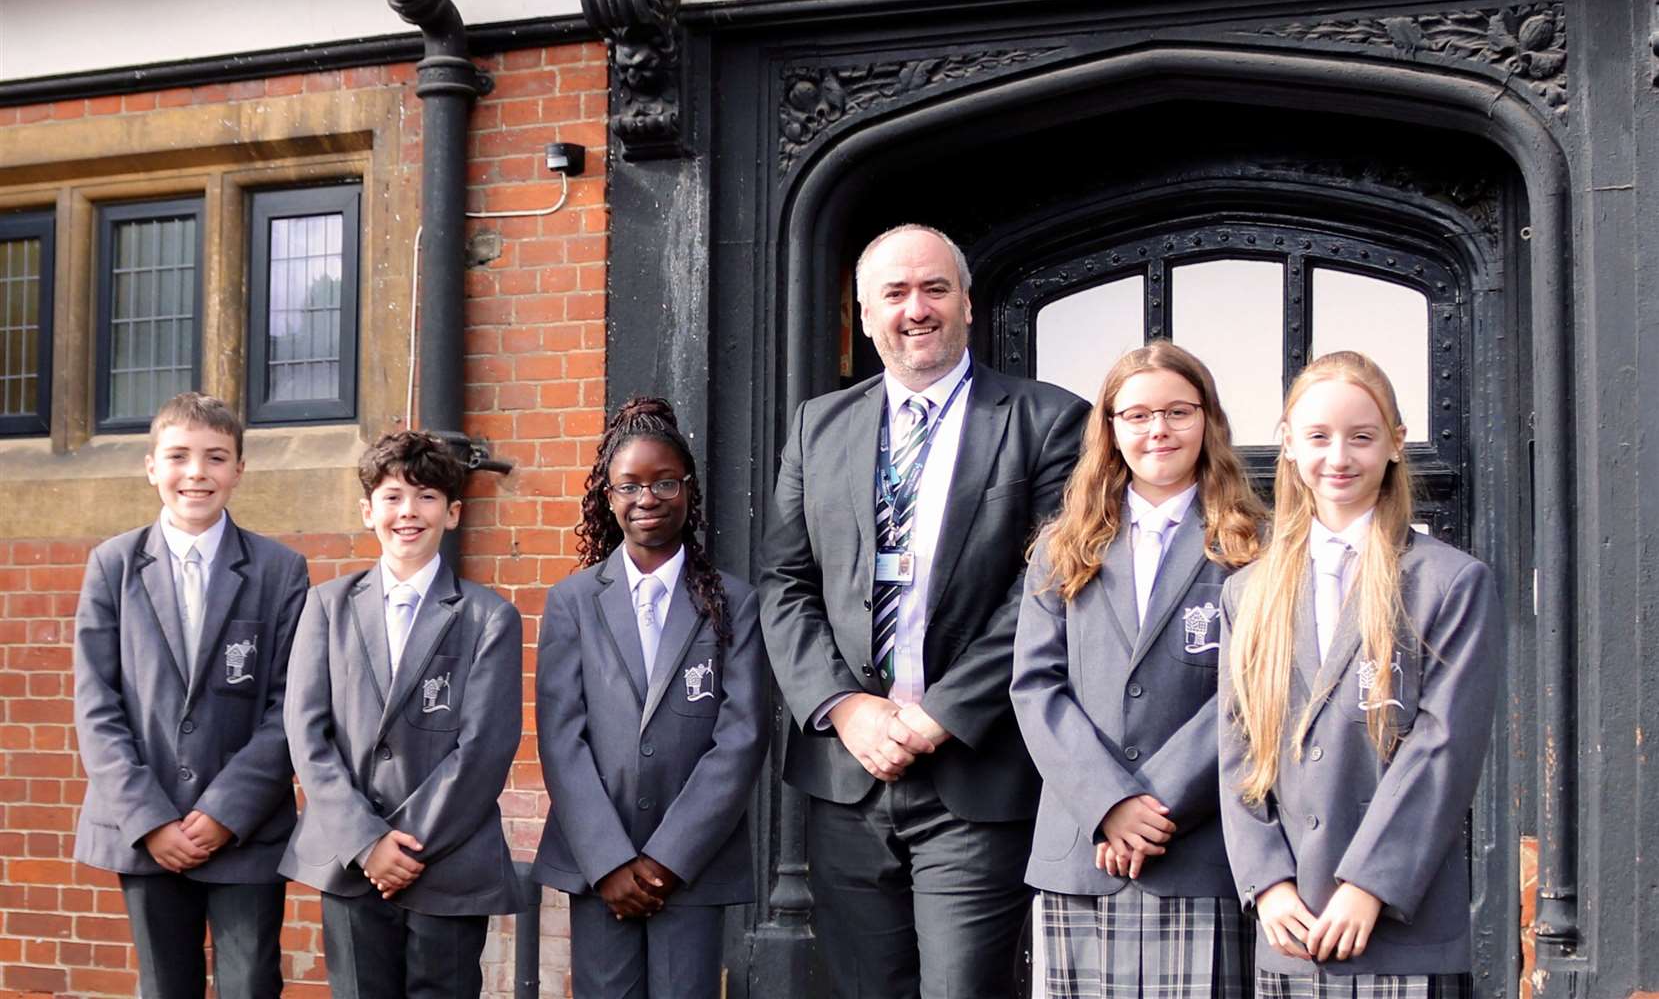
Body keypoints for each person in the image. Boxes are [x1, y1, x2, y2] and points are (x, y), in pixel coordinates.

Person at [760, 223, 1090, 997]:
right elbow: (784, 581)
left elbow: (1049, 591)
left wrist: (942, 710)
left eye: (935, 289)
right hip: (849, 776)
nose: (917, 308)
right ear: (864, 314)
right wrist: (843, 708)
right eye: (896, 293)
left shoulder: (1047, 423)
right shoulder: (818, 427)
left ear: (967, 305)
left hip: (974, 773)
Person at [1218, 350, 1502, 997]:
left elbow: (1442, 749)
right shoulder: (1248, 593)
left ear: (1395, 444)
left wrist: (1370, 884)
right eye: (1317, 437)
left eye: (1361, 436)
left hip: (1397, 924)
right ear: (1287, 445)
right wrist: (1266, 884)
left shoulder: (1449, 583)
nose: (1338, 456)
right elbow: (1236, 747)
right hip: (1287, 927)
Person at [1012, 342, 1263, 997]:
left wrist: (1153, 805)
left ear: (1207, 420)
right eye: (1138, 415)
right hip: (1084, 849)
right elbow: (1035, 688)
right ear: (1110, 428)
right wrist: (1109, 802)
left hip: (1198, 849)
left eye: (1177, 412)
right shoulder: (1062, 547)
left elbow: (1251, 694)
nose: (1158, 430)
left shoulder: (1252, 546)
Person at [72, 392, 310, 999]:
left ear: (239, 469)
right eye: (178, 456)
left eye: (216, 457)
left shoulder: (281, 571)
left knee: (251, 982)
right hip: (147, 826)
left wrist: (225, 812)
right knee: (165, 985)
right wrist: (151, 819)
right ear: (152, 465)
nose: (197, 473)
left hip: (247, 829)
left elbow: (292, 706)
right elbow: (97, 707)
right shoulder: (113, 566)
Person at [532, 397, 768, 998]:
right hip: (597, 867)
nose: (647, 498)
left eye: (665, 482)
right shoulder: (573, 602)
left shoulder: (734, 603)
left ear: (688, 491)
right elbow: (561, 738)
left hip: (691, 867)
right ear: (607, 498)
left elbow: (740, 738)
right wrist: (609, 859)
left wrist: (667, 858)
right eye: (629, 485)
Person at [281, 430, 524, 999]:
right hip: (350, 859)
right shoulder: (328, 606)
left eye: (426, 497)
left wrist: (405, 845)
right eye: (392, 497)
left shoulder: (490, 618)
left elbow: (485, 748)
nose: (408, 512)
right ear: (368, 511)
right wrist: (368, 843)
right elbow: (307, 732)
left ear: (453, 512)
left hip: (448, 860)